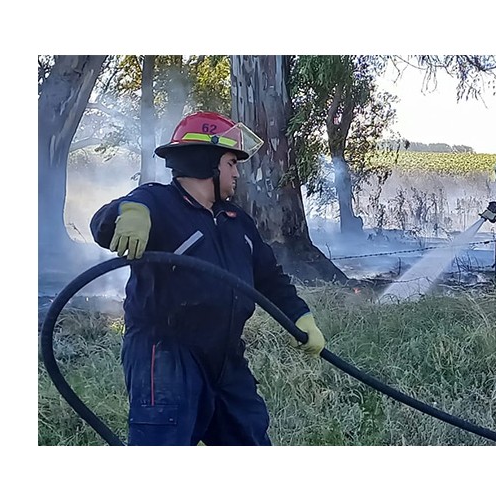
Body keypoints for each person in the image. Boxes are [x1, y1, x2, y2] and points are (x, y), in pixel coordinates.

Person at [90, 111, 327, 445]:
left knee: (249, 441)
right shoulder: (155, 203)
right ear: (206, 162)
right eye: (231, 163)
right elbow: (104, 222)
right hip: (166, 355)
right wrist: (127, 213)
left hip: (226, 357)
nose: (236, 173)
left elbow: (269, 278)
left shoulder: (236, 221)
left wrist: (301, 317)